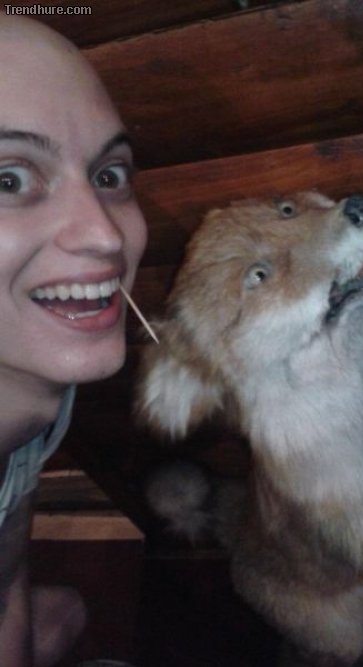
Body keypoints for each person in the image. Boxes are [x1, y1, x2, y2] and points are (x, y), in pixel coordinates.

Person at [0, 13, 147, 667]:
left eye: (109, 175)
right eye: (8, 180)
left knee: (63, 611)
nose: (105, 235)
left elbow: (5, 577)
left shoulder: (35, 391)